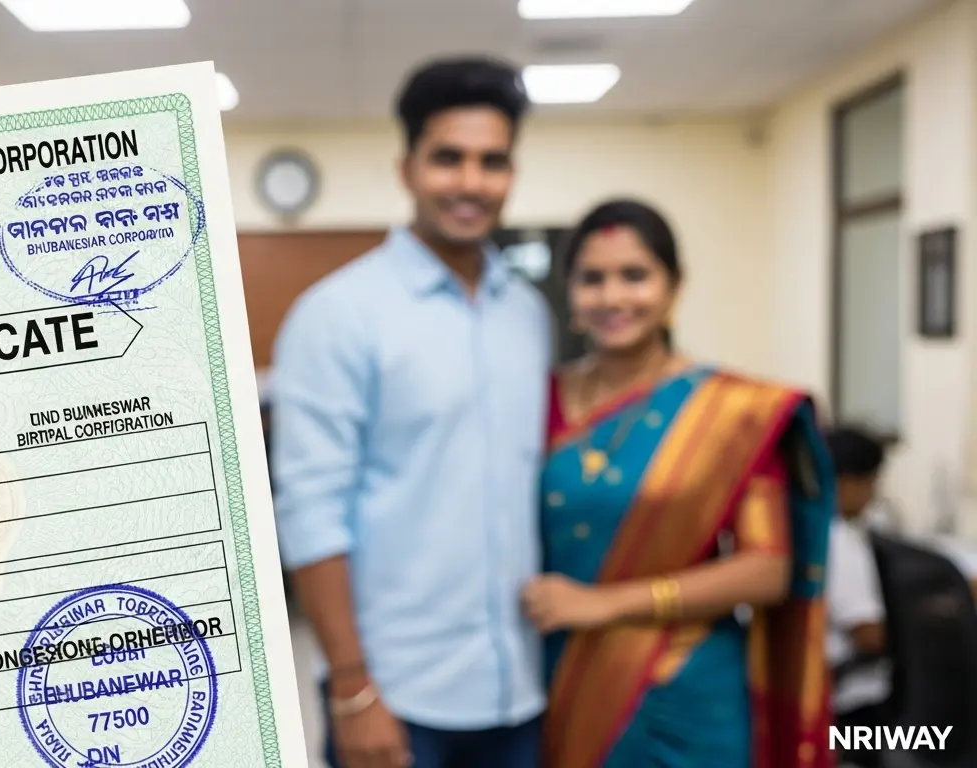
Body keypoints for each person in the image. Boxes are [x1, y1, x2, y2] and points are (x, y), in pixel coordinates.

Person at [271, 57, 549, 768]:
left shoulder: (529, 315)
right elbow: (311, 510)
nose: (470, 183)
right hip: (397, 694)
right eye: (447, 158)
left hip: (521, 689)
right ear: (407, 168)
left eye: (492, 162)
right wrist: (353, 689)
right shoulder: (339, 315)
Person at [518, 199, 836, 768]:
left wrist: (604, 604)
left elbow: (767, 570)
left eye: (634, 276)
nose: (613, 297)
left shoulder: (732, 414)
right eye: (592, 279)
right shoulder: (535, 402)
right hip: (558, 674)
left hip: (682, 690)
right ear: (570, 293)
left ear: (674, 288)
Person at [824, 427, 891, 767]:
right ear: (848, 482)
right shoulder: (839, 541)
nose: (873, 497)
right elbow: (868, 635)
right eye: (871, 485)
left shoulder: (797, 529)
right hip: (852, 708)